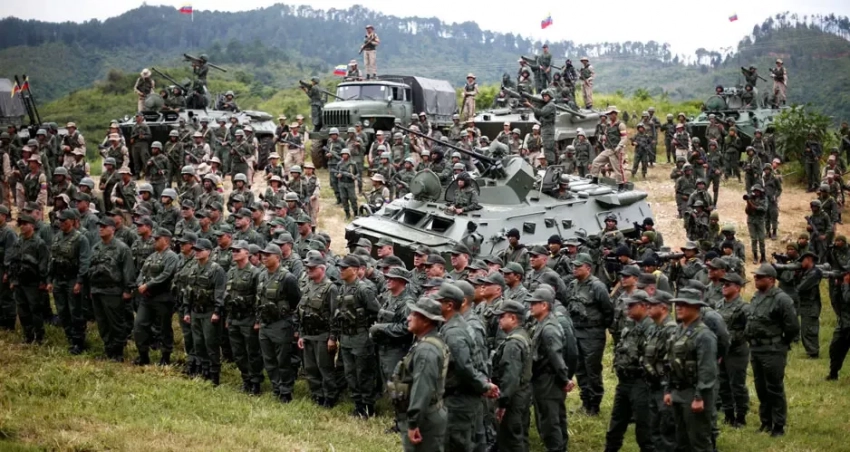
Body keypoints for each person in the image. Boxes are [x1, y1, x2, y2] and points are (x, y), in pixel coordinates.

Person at [745, 263, 799, 437]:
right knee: (761, 388)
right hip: (756, 348)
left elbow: (792, 326)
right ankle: (766, 422)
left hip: (773, 349)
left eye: (760, 277)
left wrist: (782, 343)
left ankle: (778, 425)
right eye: (755, 276)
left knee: (774, 388)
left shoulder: (782, 299)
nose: (756, 279)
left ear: (771, 279)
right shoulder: (756, 296)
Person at [389, 297, 449, 452]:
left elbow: (422, 387)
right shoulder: (428, 342)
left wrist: (413, 422)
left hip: (425, 420)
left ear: (426, 321)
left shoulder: (426, 350)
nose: (408, 318)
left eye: (414, 314)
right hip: (428, 414)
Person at [664, 290, 717, 452]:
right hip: (678, 391)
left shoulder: (704, 335)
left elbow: (707, 369)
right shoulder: (677, 331)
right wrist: (668, 390)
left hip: (694, 393)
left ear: (696, 307)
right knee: (681, 441)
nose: (678, 307)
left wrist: (699, 397)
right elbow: (671, 363)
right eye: (677, 304)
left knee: (699, 442)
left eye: (684, 304)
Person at [566, 252, 613, 415]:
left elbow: (608, 310)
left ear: (588, 268)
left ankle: (594, 405)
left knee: (592, 370)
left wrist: (600, 327)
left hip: (593, 334)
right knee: (580, 370)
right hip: (577, 332)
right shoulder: (573, 285)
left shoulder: (597, 286)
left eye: (578, 266)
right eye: (574, 266)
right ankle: (585, 402)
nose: (574, 269)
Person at [527, 288, 571, 452]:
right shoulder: (543, 323)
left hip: (548, 380)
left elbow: (556, 356)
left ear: (544, 305)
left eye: (534, 303)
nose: (530, 306)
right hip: (545, 379)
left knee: (550, 421)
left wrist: (564, 379)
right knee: (555, 418)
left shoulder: (549, 328)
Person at [336, 254, 379, 417]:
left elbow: (376, 311)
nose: (340, 270)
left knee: (363, 373)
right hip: (346, 337)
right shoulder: (343, 288)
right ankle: (358, 405)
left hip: (361, 337)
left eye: (344, 268)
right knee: (350, 373)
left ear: (354, 270)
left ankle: (368, 407)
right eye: (340, 268)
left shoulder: (363, 289)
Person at [89, 217, 135, 360]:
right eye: (100, 226)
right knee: (102, 323)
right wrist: (91, 288)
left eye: (104, 226)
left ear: (113, 229)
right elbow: (91, 268)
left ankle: (118, 352)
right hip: (97, 290)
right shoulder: (96, 247)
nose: (101, 229)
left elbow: (128, 270)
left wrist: (128, 290)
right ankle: (108, 350)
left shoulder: (122, 248)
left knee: (116, 322)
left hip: (113, 291)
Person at [182, 238, 227, 385]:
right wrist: (187, 310)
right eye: (195, 250)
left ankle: (214, 374)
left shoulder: (216, 270)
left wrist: (217, 311)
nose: (197, 252)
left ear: (208, 252)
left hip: (209, 312)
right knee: (198, 343)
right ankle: (204, 369)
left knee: (211, 343)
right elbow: (188, 291)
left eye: (200, 250)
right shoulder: (193, 268)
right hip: (195, 311)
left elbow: (219, 292)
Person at [133, 228, 179, 365]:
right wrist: (140, 284)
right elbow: (142, 272)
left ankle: (165, 357)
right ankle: (143, 355)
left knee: (164, 328)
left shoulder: (171, 257)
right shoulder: (152, 256)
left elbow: (166, 275)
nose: (154, 241)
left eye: (157, 239)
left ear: (166, 240)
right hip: (147, 298)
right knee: (139, 325)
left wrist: (148, 285)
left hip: (163, 298)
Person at [717, 272, 750, 428]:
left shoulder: (744, 308)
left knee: (737, 384)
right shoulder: (718, 305)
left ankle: (741, 416)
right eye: (723, 284)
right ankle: (728, 415)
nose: (723, 287)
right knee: (723, 384)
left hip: (736, 351)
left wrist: (731, 338)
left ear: (737, 288)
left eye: (727, 284)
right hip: (722, 351)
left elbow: (748, 330)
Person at [591, 106, 628, 185]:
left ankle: (621, 184)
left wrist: (619, 147)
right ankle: (594, 178)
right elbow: (606, 136)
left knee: (618, 168)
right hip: (608, 149)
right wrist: (602, 139)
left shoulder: (620, 125)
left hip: (617, 150)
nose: (609, 116)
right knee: (596, 162)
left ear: (615, 114)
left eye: (611, 114)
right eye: (608, 114)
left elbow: (624, 138)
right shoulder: (608, 125)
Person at [523, 89, 557, 165]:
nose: (544, 97)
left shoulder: (550, 105)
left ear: (550, 96)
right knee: (546, 149)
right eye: (543, 96)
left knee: (548, 149)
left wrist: (530, 106)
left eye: (546, 96)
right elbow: (539, 118)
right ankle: (549, 165)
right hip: (545, 130)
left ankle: (551, 165)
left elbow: (541, 113)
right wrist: (535, 106)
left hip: (548, 130)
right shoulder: (546, 106)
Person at [829, 272, 850, 380]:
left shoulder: (846, 286)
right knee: (835, 348)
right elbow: (835, 302)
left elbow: (848, 299)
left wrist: (846, 284)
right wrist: (837, 286)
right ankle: (833, 374)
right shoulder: (844, 286)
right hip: (844, 323)